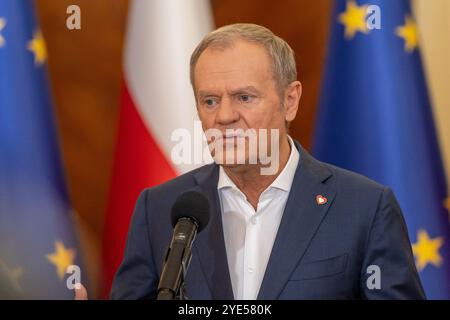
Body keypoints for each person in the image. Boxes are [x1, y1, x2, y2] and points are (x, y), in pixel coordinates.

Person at [109, 23, 425, 299]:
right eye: (210, 101)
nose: (225, 116)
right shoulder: (161, 208)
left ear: (290, 101)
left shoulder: (365, 208)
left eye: (244, 97)